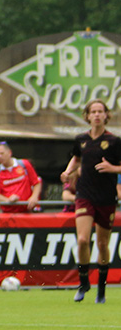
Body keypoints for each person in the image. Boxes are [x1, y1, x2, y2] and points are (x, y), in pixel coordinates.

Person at [60, 99, 121, 304]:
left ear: (106, 115)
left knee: (103, 244)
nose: (96, 115)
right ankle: (83, 281)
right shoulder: (80, 139)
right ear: (87, 116)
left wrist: (113, 169)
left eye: (100, 111)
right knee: (83, 240)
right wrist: (68, 172)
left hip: (106, 197)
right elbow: (76, 159)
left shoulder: (114, 141)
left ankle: (101, 289)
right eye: (92, 111)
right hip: (84, 195)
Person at [0, 142, 42, 213]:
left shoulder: (25, 164)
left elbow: (36, 183)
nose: (0, 157)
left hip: (26, 210)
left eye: (2, 153)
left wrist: (34, 197)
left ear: (9, 152)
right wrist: (8, 200)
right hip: (7, 212)